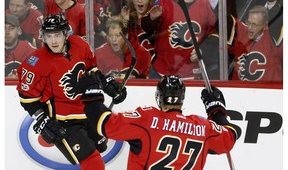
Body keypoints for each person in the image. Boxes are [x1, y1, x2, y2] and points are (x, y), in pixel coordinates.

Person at [16, 14, 127, 170]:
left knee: (101, 148)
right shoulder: (35, 63)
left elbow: (91, 70)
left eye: (57, 35)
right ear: (43, 37)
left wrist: (108, 84)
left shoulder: (80, 44)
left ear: (66, 34)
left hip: (87, 111)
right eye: (49, 36)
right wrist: (42, 120)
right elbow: (26, 98)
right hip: (62, 122)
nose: (53, 41)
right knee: (92, 161)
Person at [77, 74, 241, 169]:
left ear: (158, 97)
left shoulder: (147, 119)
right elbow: (232, 135)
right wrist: (216, 109)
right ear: (182, 99)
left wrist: (92, 95)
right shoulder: (202, 128)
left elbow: (105, 124)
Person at [141, 0, 216, 79]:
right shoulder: (164, 1)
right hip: (162, 72)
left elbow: (215, 32)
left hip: (192, 74)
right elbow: (146, 27)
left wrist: (203, 50)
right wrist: (151, 18)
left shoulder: (204, 3)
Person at [228, 5, 282, 81]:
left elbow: (280, 18)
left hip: (267, 91)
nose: (250, 27)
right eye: (248, 22)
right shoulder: (242, 33)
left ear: (265, 26)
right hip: (239, 91)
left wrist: (271, 1)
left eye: (254, 24)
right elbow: (225, 20)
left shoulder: (272, 38)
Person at [5, 14, 36, 79]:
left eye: (11, 28)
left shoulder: (29, 50)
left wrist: (20, 78)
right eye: (3, 28)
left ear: (19, 31)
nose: (6, 32)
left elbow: (38, 73)